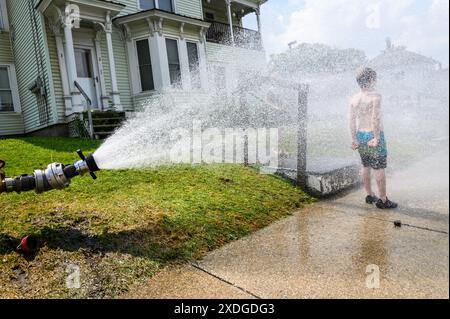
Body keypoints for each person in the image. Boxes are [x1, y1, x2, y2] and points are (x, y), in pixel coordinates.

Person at [349, 68, 398, 209]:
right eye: (374, 79)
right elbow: (375, 118)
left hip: (360, 135)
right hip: (373, 135)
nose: (376, 82)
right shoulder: (375, 97)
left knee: (365, 165)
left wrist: (354, 138)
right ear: (370, 80)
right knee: (379, 168)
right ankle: (383, 200)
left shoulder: (354, 99)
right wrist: (376, 137)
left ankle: (369, 195)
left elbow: (351, 120)